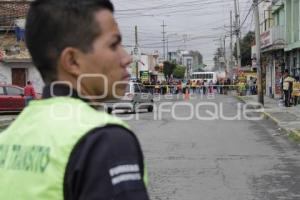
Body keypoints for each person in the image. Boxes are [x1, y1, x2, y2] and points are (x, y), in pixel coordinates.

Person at [0, 0, 149, 200]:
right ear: (72, 61)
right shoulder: (104, 139)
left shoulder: (10, 136)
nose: (127, 58)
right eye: (114, 44)